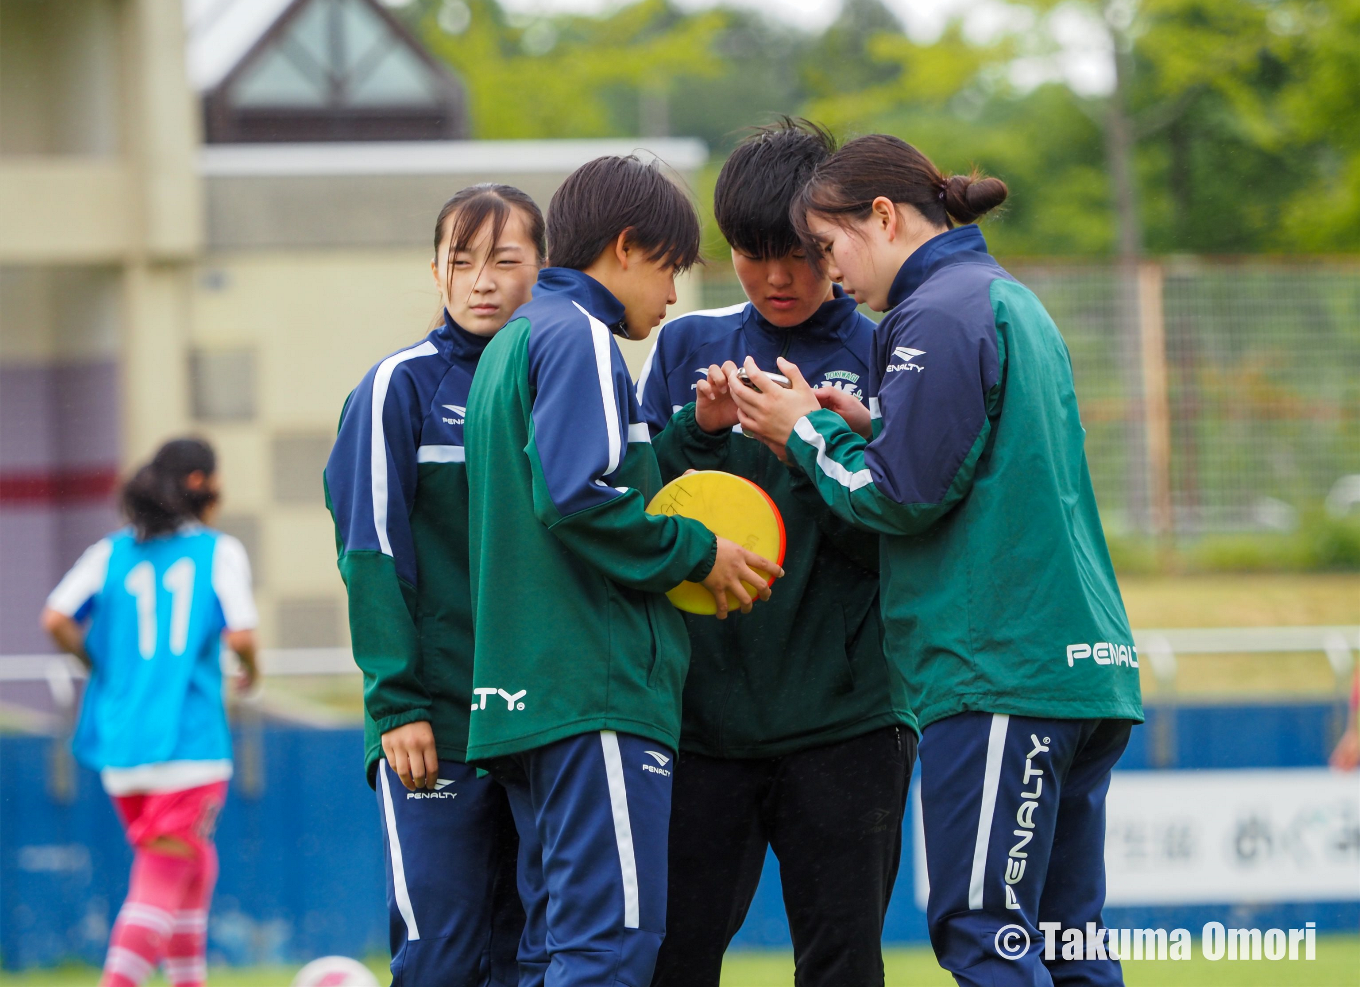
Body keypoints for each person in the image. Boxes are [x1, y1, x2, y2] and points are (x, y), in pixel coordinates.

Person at [730, 134, 1143, 987]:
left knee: (986, 933)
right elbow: (982, 463)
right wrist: (875, 426)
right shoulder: (1003, 297)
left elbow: (899, 497)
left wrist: (804, 432)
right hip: (1078, 670)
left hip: (999, 674)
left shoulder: (934, 311)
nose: (827, 270)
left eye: (828, 245)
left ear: (882, 217)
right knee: (1068, 943)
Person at [461, 155, 783, 987]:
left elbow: (579, 486)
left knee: (551, 952)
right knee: (610, 949)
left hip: (527, 696)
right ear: (628, 246)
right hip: (593, 691)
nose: (673, 296)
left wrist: (688, 436)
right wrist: (702, 553)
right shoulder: (579, 336)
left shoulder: (514, 340)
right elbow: (578, 500)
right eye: (670, 268)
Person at [638, 120, 918, 987]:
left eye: (798, 254)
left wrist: (809, 440)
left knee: (842, 966)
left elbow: (900, 530)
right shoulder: (686, 346)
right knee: (670, 961)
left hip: (849, 724)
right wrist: (699, 432)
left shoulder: (885, 349)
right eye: (751, 255)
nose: (775, 278)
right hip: (701, 725)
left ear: (835, 239)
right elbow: (639, 518)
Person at [324, 184, 544, 987]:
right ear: (436, 272)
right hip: (436, 725)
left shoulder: (558, 383)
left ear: (543, 269)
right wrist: (398, 705)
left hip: (541, 723)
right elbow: (370, 554)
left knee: (533, 957)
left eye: (505, 261)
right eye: (462, 261)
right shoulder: (398, 388)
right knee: (441, 959)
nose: (481, 281)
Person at [40, 438, 259, 987]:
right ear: (200, 484)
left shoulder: (108, 552)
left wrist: (99, 665)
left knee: (192, 861)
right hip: (189, 742)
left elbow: (56, 618)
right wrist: (250, 670)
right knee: (160, 879)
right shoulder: (217, 550)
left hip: (121, 745)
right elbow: (241, 635)